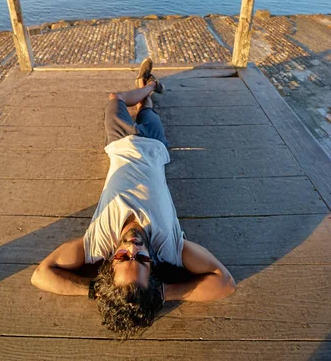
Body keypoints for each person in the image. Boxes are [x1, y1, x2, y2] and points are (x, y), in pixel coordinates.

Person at [31, 58, 236, 336]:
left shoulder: (99, 243)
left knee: (115, 99)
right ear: (153, 270)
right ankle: (147, 88)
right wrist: (162, 293)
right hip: (153, 144)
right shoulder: (169, 246)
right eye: (142, 261)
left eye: (122, 258)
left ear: (110, 262)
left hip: (119, 142)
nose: (134, 249)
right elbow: (225, 282)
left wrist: (96, 291)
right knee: (146, 111)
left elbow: (41, 275)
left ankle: (146, 86)